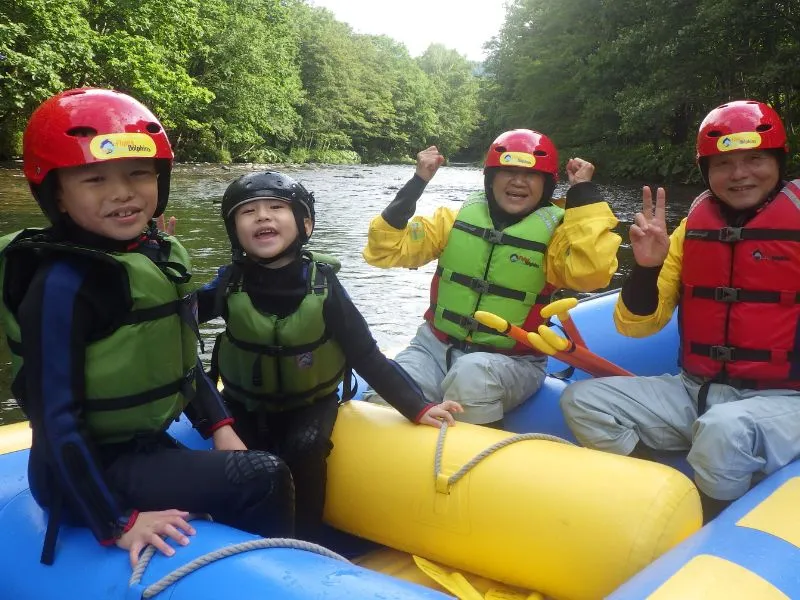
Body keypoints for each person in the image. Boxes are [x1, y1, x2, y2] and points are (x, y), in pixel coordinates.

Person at [0, 88, 295, 568]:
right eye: (95, 178)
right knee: (265, 473)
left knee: (248, 452)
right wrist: (116, 523)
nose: (122, 192)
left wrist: (220, 427)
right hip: (83, 474)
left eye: (138, 173)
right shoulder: (62, 284)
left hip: (140, 446)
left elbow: (174, 357)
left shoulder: (149, 255)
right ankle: (282, 578)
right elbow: (56, 420)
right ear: (56, 194)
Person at [560, 100, 800, 522]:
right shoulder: (691, 230)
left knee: (724, 429)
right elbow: (636, 326)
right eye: (723, 164)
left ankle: (709, 526)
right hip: (696, 390)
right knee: (584, 399)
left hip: (783, 400)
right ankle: (665, 494)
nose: (739, 174)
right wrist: (646, 269)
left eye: (755, 159)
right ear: (707, 171)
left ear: (778, 163)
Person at [197, 170, 462, 542]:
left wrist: (417, 406)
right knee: (243, 460)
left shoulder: (324, 286)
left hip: (309, 404)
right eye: (248, 211)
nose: (262, 216)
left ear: (305, 224)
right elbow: (177, 319)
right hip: (242, 403)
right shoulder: (229, 282)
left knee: (305, 446)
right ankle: (242, 538)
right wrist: (165, 274)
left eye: (276, 208)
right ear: (234, 229)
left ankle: (305, 538)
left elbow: (365, 353)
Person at [361, 131, 621, 426]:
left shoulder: (558, 238)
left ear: (547, 185)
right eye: (508, 171)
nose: (518, 181)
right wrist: (418, 182)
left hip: (515, 361)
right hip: (432, 348)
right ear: (490, 178)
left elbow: (591, 275)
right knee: (387, 395)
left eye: (531, 175)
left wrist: (583, 194)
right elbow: (385, 251)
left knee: (472, 374)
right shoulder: (452, 221)